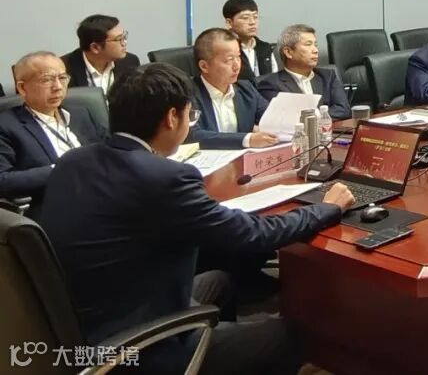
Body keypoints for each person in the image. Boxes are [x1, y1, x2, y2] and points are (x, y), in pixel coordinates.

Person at [37, 63, 356, 375]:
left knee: (220, 279)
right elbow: (253, 235)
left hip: (81, 326)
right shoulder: (165, 177)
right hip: (135, 348)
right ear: (171, 118)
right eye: (189, 116)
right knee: (290, 334)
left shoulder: (72, 161)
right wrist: (326, 208)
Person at [0, 52, 105, 216]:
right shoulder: (6, 125)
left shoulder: (81, 113)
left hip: (102, 194)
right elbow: (3, 181)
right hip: (59, 207)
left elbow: (106, 151)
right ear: (22, 88)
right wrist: (60, 169)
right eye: (47, 80)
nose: (58, 87)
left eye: (62, 78)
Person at [187, 29, 278, 149]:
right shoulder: (187, 94)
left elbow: (273, 119)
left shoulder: (246, 89)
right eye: (229, 60)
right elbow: (192, 135)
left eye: (238, 57)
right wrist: (247, 139)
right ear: (204, 66)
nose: (237, 65)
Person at [257, 24, 350, 119]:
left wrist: (314, 116)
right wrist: (320, 115)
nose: (315, 50)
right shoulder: (271, 84)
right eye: (308, 44)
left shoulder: (328, 76)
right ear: (288, 52)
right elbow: (286, 117)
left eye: (315, 45)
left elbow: (344, 109)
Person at [62, 14, 140, 94]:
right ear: (95, 47)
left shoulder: (130, 62)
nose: (124, 43)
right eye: (119, 39)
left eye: (124, 37)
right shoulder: (64, 69)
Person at [223, 0, 277, 83]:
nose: (252, 22)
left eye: (255, 17)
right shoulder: (224, 50)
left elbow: (274, 79)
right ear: (229, 23)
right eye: (245, 18)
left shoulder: (265, 48)